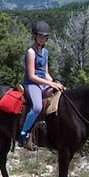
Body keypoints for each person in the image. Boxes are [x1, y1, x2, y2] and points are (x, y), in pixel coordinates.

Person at [18, 20, 65, 149]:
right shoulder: (31, 52)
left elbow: (45, 73)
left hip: (42, 82)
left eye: (44, 36)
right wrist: (49, 83)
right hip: (31, 83)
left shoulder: (45, 52)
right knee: (37, 107)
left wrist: (55, 82)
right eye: (40, 36)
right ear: (35, 36)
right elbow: (32, 75)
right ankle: (24, 132)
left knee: (61, 96)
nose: (42, 38)